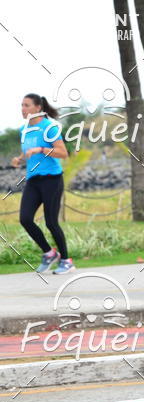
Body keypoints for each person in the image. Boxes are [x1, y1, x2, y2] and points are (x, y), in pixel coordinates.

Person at [12, 93, 74, 274]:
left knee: (51, 222)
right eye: (22, 105)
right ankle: (49, 253)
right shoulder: (24, 129)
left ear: (38, 107)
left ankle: (66, 261)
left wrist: (41, 149)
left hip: (51, 179)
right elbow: (28, 151)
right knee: (25, 219)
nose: (23, 109)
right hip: (33, 180)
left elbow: (63, 153)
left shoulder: (49, 127)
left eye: (27, 105)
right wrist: (19, 159)